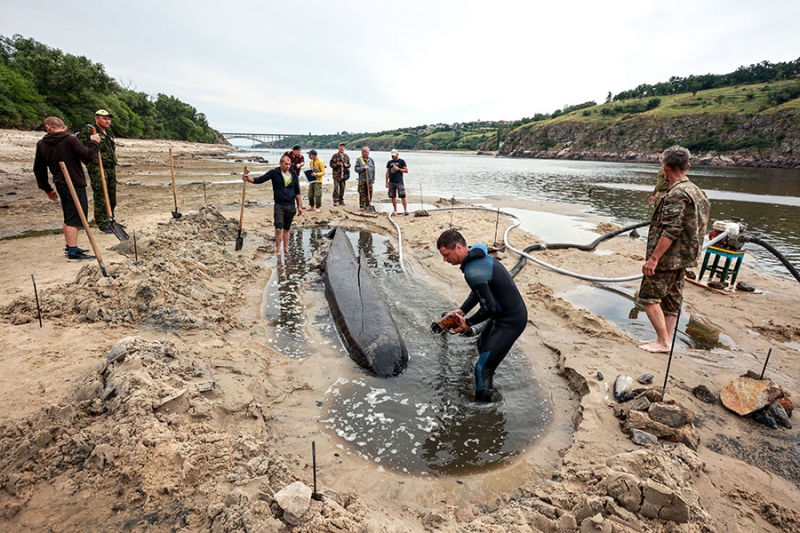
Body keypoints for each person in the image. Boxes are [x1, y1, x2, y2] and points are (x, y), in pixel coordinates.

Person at [436, 229, 528, 403]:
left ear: (458, 247)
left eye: (446, 255)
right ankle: (489, 379)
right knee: (481, 345)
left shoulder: (472, 271)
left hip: (511, 321)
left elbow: (489, 309)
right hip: (501, 316)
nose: (445, 260)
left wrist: (467, 323)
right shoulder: (476, 258)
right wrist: (462, 311)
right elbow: (478, 292)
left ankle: (483, 413)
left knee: (481, 369)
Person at [638, 146, 710, 354]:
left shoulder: (676, 194)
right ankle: (666, 340)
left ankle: (662, 341)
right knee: (671, 301)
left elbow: (671, 230)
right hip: (686, 258)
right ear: (687, 166)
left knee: (648, 298)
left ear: (666, 168)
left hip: (669, 258)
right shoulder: (698, 192)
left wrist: (653, 259)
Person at [33, 116, 101, 260]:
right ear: (63, 128)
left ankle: (71, 246)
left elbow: (38, 169)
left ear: (48, 128)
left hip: (60, 183)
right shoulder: (70, 139)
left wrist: (47, 189)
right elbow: (89, 156)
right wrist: (94, 143)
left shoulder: (42, 144)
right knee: (74, 218)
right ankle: (72, 251)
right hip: (73, 183)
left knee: (69, 216)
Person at [242, 155, 303, 256]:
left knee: (287, 228)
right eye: (286, 164)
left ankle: (286, 248)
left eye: (289, 164)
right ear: (280, 163)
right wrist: (248, 179)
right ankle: (278, 249)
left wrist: (300, 206)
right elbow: (260, 179)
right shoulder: (274, 173)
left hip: (291, 205)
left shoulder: (293, 174)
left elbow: (298, 191)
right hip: (279, 205)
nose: (288, 166)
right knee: (278, 228)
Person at [78, 109, 117, 233]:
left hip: (110, 166)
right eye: (104, 118)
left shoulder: (108, 132)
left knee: (111, 194)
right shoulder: (89, 131)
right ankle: (102, 222)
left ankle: (111, 219)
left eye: (108, 119)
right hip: (97, 166)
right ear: (96, 118)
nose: (107, 121)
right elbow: (82, 149)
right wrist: (91, 162)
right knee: (101, 194)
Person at [385, 149, 409, 215]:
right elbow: (387, 172)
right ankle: (395, 210)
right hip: (391, 181)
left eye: (394, 155)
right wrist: (386, 182)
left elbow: (406, 170)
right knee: (393, 196)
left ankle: (405, 210)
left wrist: (399, 169)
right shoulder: (389, 162)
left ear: (397, 154)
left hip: (399, 181)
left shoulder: (401, 161)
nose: (393, 157)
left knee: (402, 195)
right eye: (392, 155)